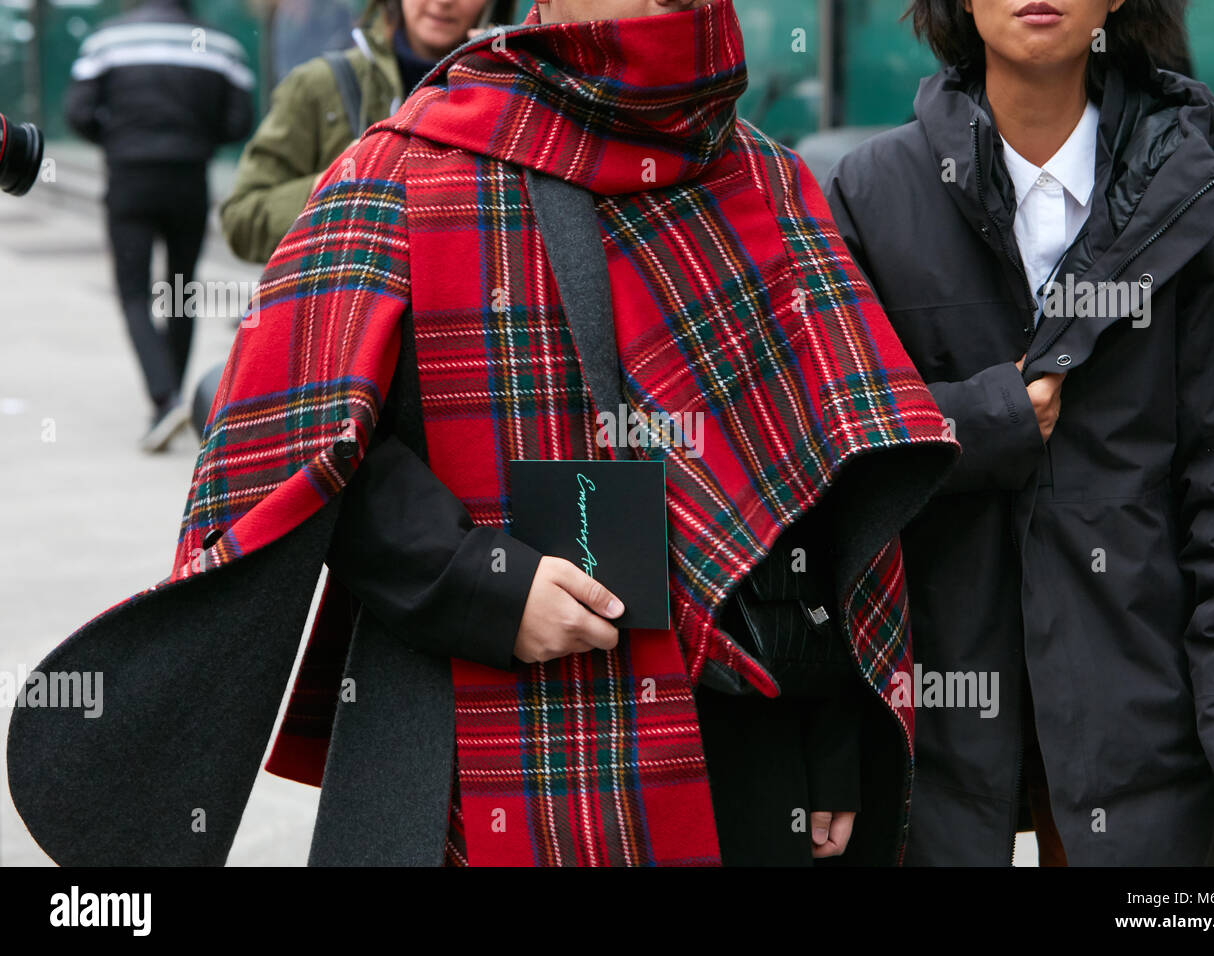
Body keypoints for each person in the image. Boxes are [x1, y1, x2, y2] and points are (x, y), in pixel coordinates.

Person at [8, 0, 958, 867]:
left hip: (740, 758)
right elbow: (296, 443)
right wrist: (482, 581)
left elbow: (832, 494)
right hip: (463, 739)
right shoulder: (405, 163)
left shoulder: (768, 182)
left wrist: (834, 741)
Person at [824, 0, 1214, 865]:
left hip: (1144, 720)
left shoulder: (1211, 209)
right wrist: (985, 418)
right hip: (926, 719)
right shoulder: (870, 195)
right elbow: (823, 448)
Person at [64, 0, 254, 452]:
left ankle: (164, 398)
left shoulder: (107, 41)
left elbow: (77, 113)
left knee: (133, 293)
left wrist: (119, 140)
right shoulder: (221, 46)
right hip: (188, 180)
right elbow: (239, 121)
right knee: (181, 289)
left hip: (129, 178)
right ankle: (170, 398)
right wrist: (196, 141)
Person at [220, 0, 513, 265]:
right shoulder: (321, 85)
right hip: (345, 316)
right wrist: (329, 186)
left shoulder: (515, 92)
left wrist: (504, 86)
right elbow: (241, 221)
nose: (444, 2)